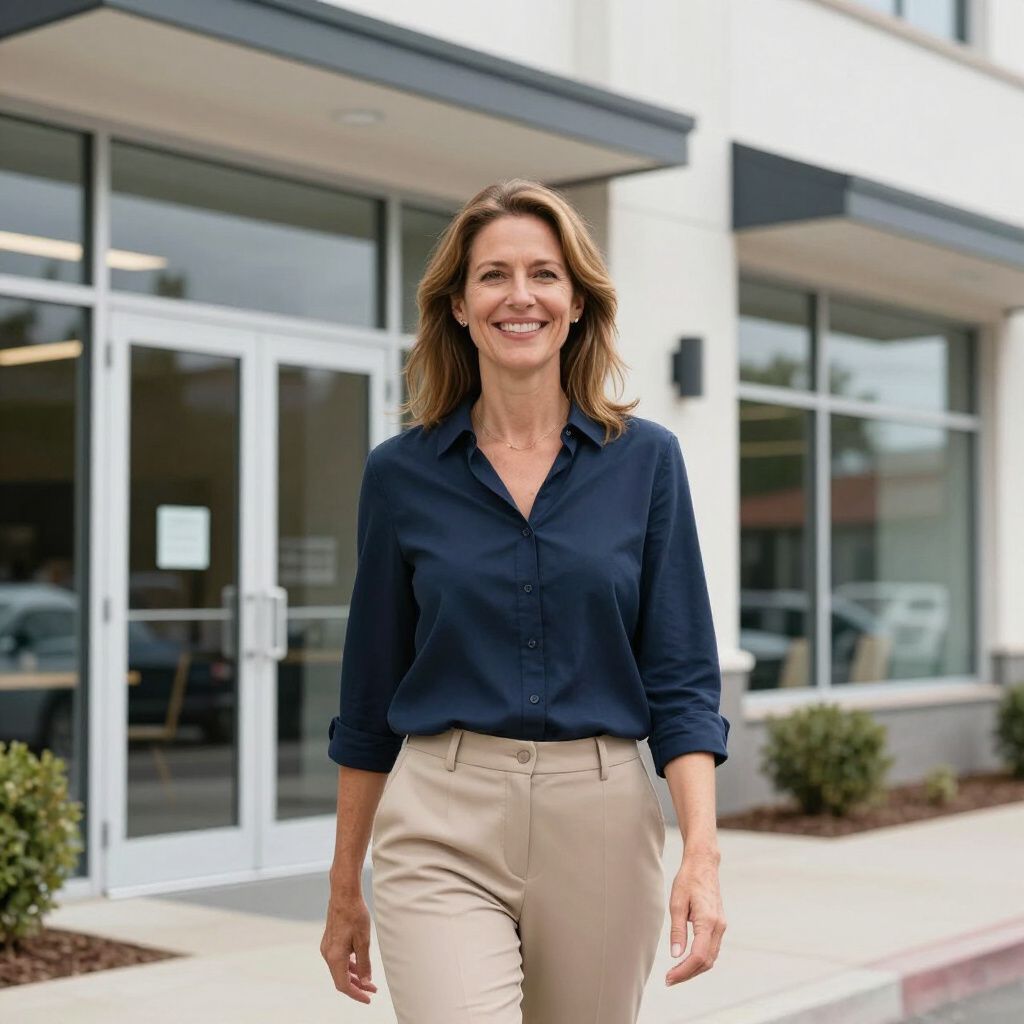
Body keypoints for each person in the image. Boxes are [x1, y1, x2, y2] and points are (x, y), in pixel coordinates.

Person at [320, 178, 730, 1023]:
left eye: (544, 274)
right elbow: (367, 692)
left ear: (576, 303)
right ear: (460, 307)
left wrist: (702, 855)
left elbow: (682, 678)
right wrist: (342, 884)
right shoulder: (401, 474)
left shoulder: (647, 462)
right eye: (493, 276)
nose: (520, 296)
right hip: (441, 809)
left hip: (604, 817)